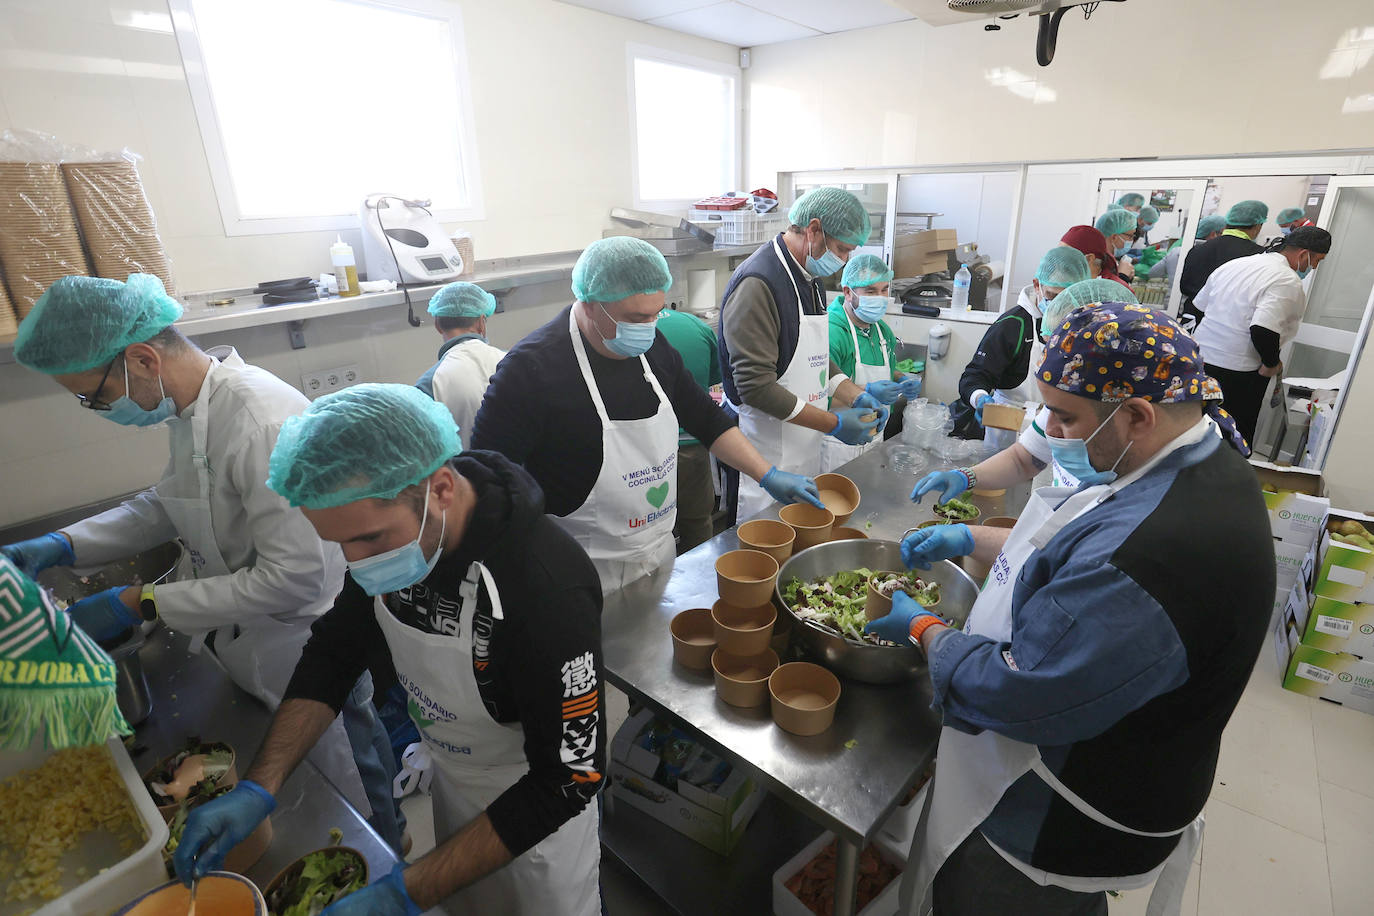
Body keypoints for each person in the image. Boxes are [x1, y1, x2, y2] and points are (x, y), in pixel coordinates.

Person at [876, 303, 1267, 916]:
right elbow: (1072, 555)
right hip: (1121, 767)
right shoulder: (1188, 456)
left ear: (1137, 415)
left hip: (1054, 812)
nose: (1048, 434)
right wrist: (971, 540)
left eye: (1062, 417)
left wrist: (926, 628)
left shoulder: (1154, 555)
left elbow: (1020, 689)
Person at [0, 274, 403, 851]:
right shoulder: (196, 412)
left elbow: (297, 578)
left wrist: (141, 601)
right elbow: (167, 504)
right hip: (251, 641)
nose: (95, 409)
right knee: (321, 786)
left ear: (141, 360)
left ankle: (389, 856)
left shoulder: (261, 420)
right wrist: (64, 545)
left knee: (354, 789)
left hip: (303, 643)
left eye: (93, 396)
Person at [173, 384, 605, 915]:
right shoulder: (398, 540)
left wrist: (407, 890)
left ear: (441, 488)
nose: (357, 562)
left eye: (370, 540)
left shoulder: (546, 588)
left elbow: (570, 778)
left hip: (539, 825)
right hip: (456, 787)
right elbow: (335, 652)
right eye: (341, 544)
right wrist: (260, 787)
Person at [470, 237, 824, 592]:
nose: (648, 327)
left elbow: (706, 419)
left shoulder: (654, 348)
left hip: (656, 553)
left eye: (656, 313)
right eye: (636, 318)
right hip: (576, 571)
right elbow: (488, 480)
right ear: (590, 304)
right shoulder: (528, 371)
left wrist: (767, 474)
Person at [718, 187, 890, 520]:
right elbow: (754, 387)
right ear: (813, 231)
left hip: (801, 444)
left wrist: (855, 396)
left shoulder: (807, 277)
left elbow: (813, 355)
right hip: (760, 449)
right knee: (759, 543)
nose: (844, 261)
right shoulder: (758, 283)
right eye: (841, 249)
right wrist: (833, 422)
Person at [914, 279, 1144, 502]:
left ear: (1136, 417)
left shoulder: (1145, 485)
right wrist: (966, 477)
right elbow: (1023, 458)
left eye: (1067, 418)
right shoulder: (1080, 396)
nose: (1049, 429)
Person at [1192, 226, 1333, 445]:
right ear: (1304, 254)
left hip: (1201, 360)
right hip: (1237, 372)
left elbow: (1200, 305)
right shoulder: (1286, 279)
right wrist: (1271, 363)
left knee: (1196, 428)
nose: (1313, 267)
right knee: (1232, 436)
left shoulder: (1237, 264)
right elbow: (1262, 329)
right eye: (1317, 260)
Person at [949, 247, 1090, 447]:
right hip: (1007, 431)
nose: (1058, 306)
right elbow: (975, 376)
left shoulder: (1082, 325)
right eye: (1052, 295)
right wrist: (980, 398)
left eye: (1066, 299)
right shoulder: (1013, 325)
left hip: (1056, 430)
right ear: (1037, 285)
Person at [822, 253, 922, 471]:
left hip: (875, 432)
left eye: (884, 289)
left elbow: (886, 366)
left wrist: (903, 377)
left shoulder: (880, 329)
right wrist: (867, 391)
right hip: (839, 440)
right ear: (848, 292)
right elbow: (821, 395)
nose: (880, 297)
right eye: (870, 291)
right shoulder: (833, 332)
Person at [656, 305, 723, 551]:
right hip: (692, 448)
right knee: (697, 525)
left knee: (651, 534)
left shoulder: (618, 332)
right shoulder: (695, 326)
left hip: (646, 456)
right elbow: (716, 380)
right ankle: (700, 582)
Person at [415, 281, 506, 448]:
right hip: (518, 471)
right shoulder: (512, 362)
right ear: (481, 322)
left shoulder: (430, 384)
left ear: (437, 325)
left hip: (464, 472)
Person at [1178, 199, 1269, 327]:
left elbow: (1184, 286)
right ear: (1257, 226)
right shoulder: (1259, 256)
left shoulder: (1198, 249)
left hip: (1191, 321)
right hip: (1227, 325)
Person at [1149, 214, 1227, 288]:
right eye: (1223, 234)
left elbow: (1153, 272)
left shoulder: (1176, 251)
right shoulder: (1212, 257)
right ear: (1213, 234)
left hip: (1170, 300)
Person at [1060, 225, 1132, 290]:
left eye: (1065, 256)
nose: (1058, 259)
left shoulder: (1113, 290)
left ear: (1089, 259)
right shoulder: (1067, 280)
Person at [1094, 208, 1140, 281]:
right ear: (1114, 237)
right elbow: (1106, 291)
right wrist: (1122, 277)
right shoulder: (1096, 263)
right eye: (1130, 236)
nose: (1131, 240)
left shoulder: (1109, 261)